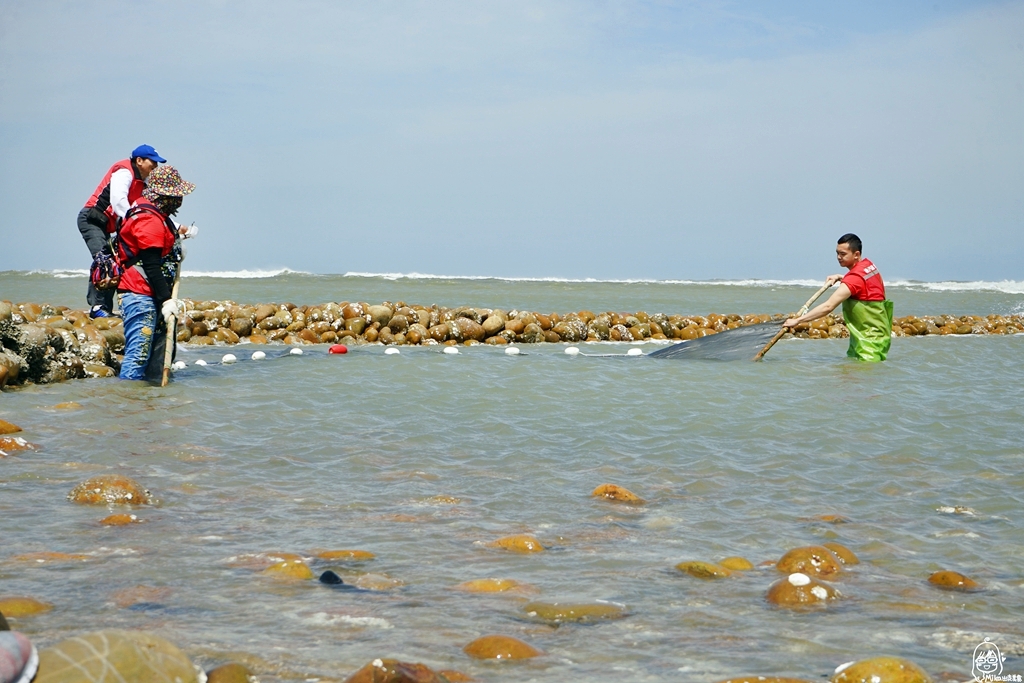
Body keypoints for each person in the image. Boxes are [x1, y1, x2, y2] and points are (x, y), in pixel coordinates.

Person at [115, 165, 195, 381]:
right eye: (176, 195)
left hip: (153, 293)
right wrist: (167, 300)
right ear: (164, 195)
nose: (179, 201)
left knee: (159, 354)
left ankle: (152, 406)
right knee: (139, 354)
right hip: (139, 293)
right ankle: (128, 401)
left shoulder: (158, 215)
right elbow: (150, 265)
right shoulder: (148, 218)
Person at [78, 145, 166, 318]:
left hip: (108, 225)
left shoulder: (143, 184)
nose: (155, 167)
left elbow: (149, 211)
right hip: (92, 220)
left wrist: (175, 227)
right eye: (153, 162)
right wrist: (136, 222)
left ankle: (112, 306)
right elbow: (118, 201)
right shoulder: (124, 172)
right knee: (105, 261)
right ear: (139, 161)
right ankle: (98, 308)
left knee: (119, 261)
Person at [784, 233, 893, 361]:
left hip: (868, 342)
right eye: (837, 253)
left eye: (843, 254)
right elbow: (862, 283)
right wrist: (842, 277)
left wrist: (798, 321)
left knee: (860, 376)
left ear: (856, 254)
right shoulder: (868, 266)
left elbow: (828, 306)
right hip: (876, 335)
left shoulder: (854, 279)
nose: (838, 257)